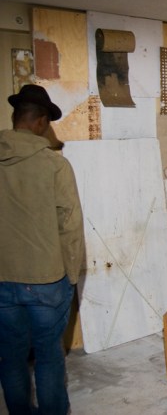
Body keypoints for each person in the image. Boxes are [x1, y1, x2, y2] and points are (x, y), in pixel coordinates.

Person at [0, 84, 86, 415]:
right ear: (40, 122)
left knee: (11, 357)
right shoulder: (54, 166)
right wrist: (70, 275)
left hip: (2, 279)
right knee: (49, 357)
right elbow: (70, 226)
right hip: (46, 279)